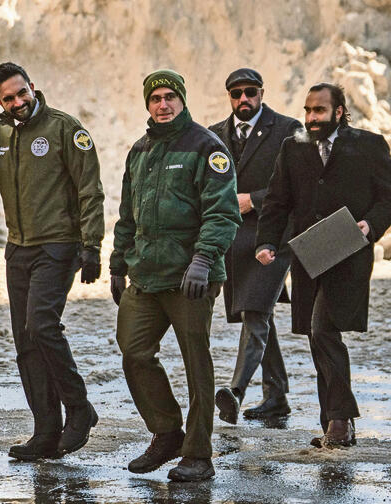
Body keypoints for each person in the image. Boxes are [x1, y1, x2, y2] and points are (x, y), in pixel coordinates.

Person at [0, 62, 104, 461]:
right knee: (25, 341)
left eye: (22, 93)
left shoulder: (64, 129)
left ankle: (80, 408)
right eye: (9, 98)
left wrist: (91, 246)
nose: (18, 102)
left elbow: (90, 190)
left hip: (58, 245)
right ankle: (45, 431)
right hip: (18, 248)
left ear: (32, 87)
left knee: (42, 325)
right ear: (0, 101)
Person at [256, 83, 391, 448]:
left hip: (350, 255)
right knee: (317, 335)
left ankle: (339, 421)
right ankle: (333, 423)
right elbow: (277, 201)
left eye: (319, 111)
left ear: (339, 111)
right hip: (308, 256)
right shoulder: (292, 148)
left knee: (323, 329)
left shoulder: (369, 145)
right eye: (308, 110)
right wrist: (265, 241)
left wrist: (369, 225)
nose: (311, 118)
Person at [110, 69, 241, 482]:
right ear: (147, 104)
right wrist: (117, 263)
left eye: (169, 97)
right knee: (134, 351)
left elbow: (223, 211)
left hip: (191, 279)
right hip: (146, 276)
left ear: (182, 100)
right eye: (155, 99)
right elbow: (127, 215)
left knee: (196, 364)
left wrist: (203, 259)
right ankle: (167, 432)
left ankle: (198, 455)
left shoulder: (207, 147)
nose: (162, 104)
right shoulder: (140, 150)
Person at [208, 68, 302, 424]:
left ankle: (235, 390)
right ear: (229, 97)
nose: (243, 99)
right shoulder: (215, 134)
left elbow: (299, 186)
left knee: (256, 311)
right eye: (236, 94)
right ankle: (276, 397)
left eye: (250, 92)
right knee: (257, 310)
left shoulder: (288, 129)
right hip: (234, 239)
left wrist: (255, 199)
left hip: (274, 235)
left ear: (262, 92)